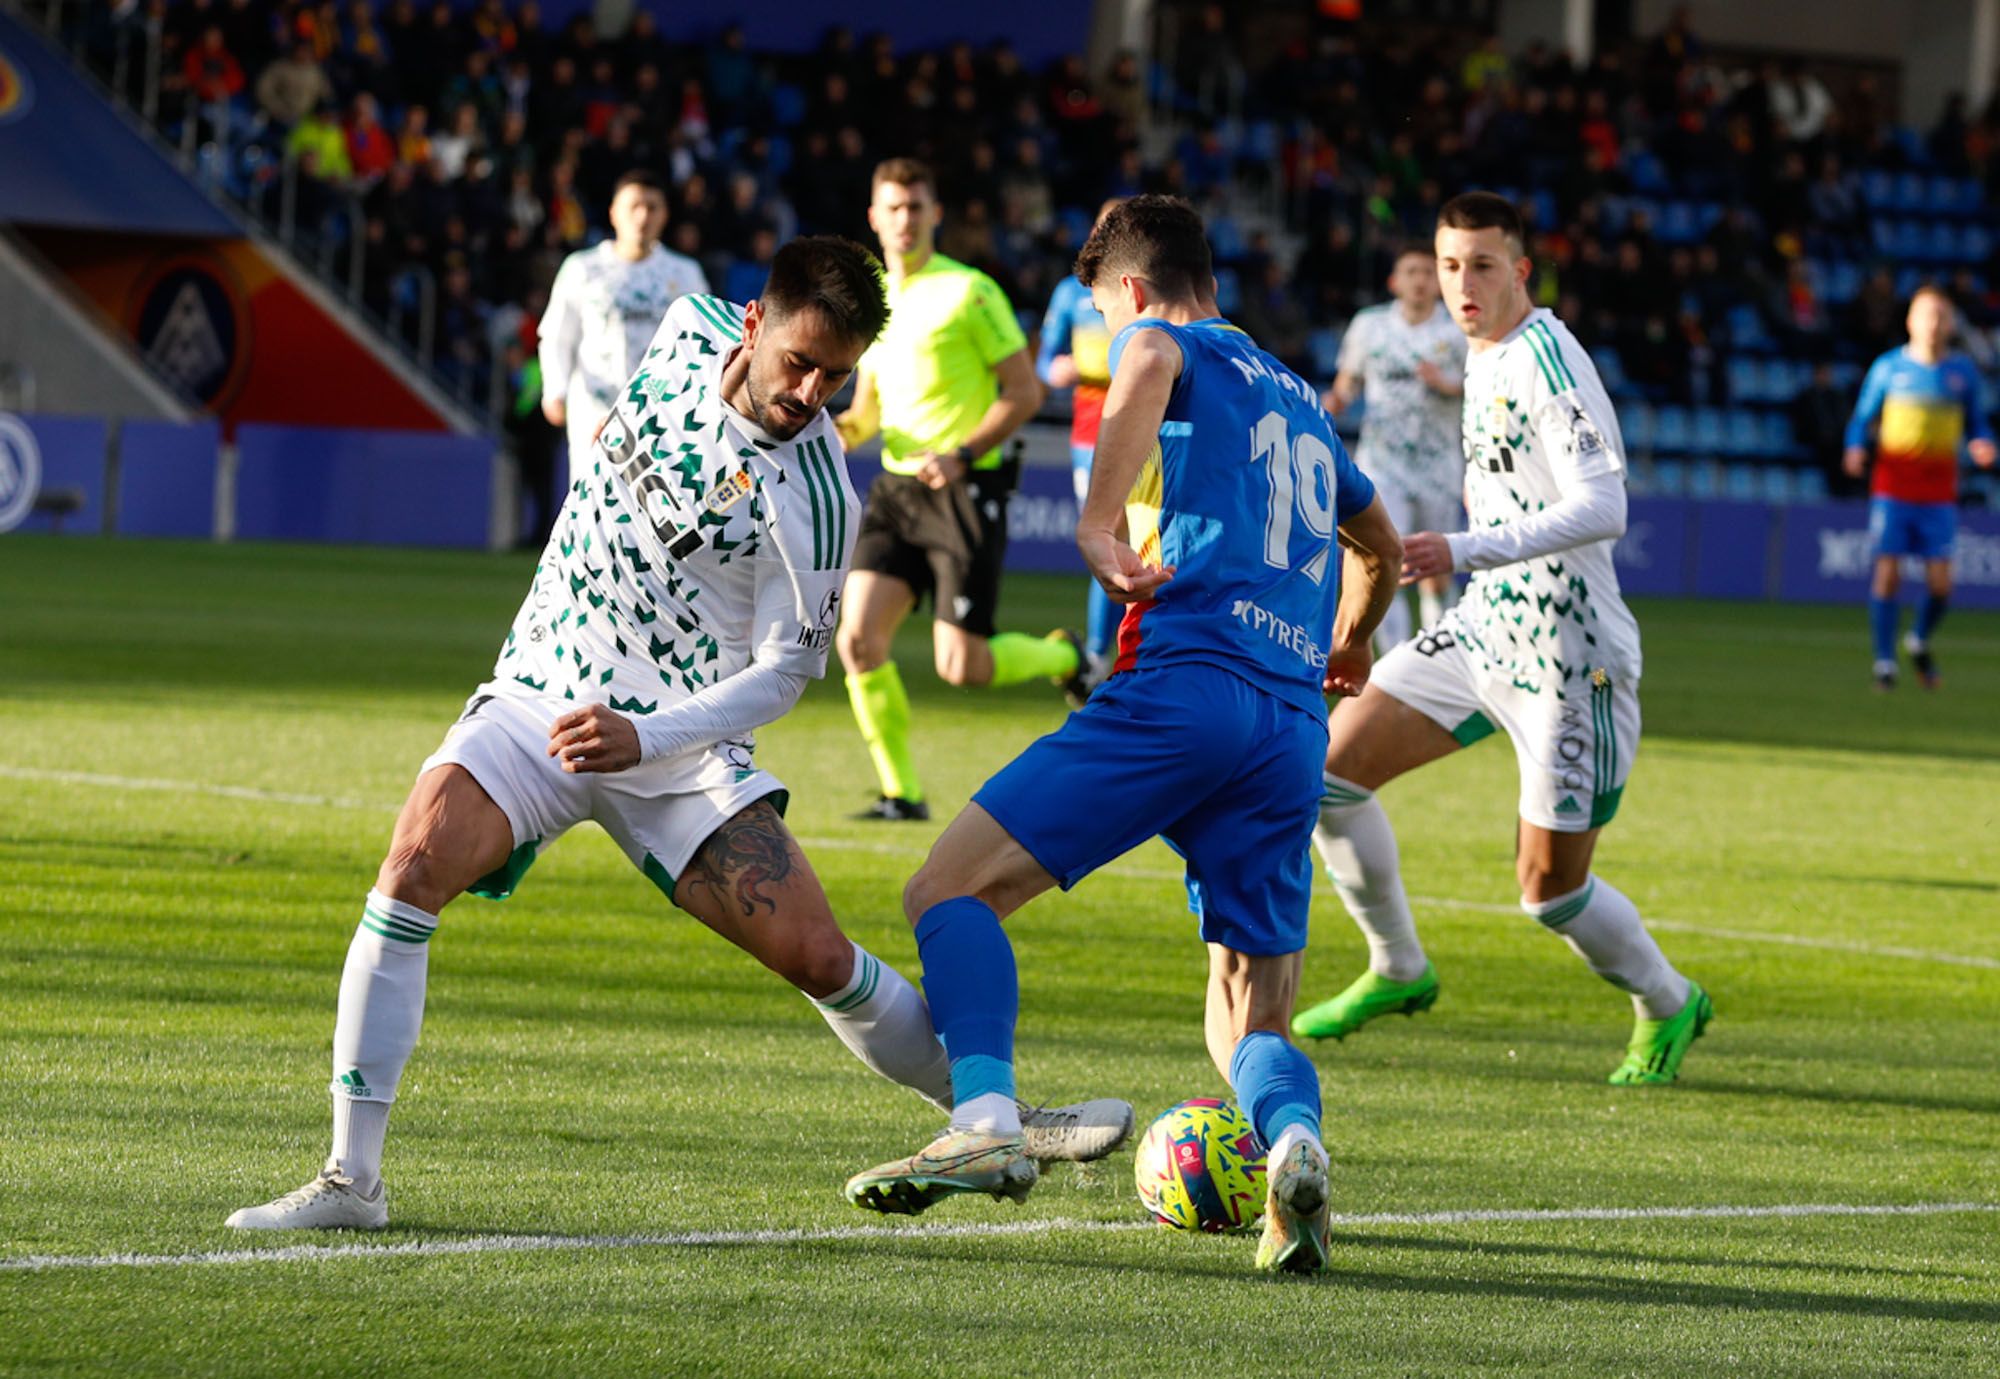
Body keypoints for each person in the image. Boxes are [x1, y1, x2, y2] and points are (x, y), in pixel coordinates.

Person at [225, 239, 1131, 1232]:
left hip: (678, 747)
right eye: (800, 361)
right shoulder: (682, 325)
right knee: (409, 865)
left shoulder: (819, 494)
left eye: (837, 373)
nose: (812, 390)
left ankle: (1001, 1118)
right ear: (751, 321)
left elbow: (788, 667)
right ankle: (352, 1179)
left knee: (820, 956)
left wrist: (645, 732)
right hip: (539, 694)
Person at [843, 196, 1403, 1276]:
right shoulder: (1297, 394)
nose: (1112, 338)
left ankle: (988, 1118)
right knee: (1247, 1010)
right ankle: (1291, 1150)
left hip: (1183, 685)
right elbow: (1375, 540)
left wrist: (1097, 523)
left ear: (1134, 291)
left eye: (1106, 313)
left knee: (946, 892)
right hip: (1289, 720)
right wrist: (1353, 640)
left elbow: (1143, 359)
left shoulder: (1157, 338)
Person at [1292, 193, 1713, 1088]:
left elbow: (1606, 505)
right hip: (1487, 626)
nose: (1463, 284)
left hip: (1572, 656)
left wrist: (1465, 546)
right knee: (1326, 775)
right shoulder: (1477, 356)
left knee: (1550, 892)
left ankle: (1667, 997)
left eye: (1483, 265)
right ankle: (1400, 967)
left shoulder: (1547, 360)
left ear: (1522, 270)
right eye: (1450, 266)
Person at [833, 158, 1081, 823]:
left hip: (966, 487)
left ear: (934, 214)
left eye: (916, 206)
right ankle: (901, 792)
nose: (905, 218)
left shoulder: (971, 292)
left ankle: (1068, 655)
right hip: (898, 487)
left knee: (961, 665)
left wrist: (964, 453)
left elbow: (1025, 392)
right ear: (874, 217)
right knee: (856, 638)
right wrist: (828, 433)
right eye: (894, 206)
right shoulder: (875, 301)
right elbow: (867, 411)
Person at [1841, 286, 1997, 691]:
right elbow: (1861, 418)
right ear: (1910, 320)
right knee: (1887, 573)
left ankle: (1918, 639)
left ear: (1950, 324)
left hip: (1939, 492)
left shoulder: (1961, 373)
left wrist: (1981, 441)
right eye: (1926, 315)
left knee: (1942, 585)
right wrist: (1855, 447)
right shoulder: (1890, 368)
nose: (1933, 324)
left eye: (1941, 316)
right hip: (1893, 487)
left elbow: (1978, 421)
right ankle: (1885, 663)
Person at [1323, 245, 1468, 649]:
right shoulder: (1370, 326)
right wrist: (1326, 408)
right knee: (1387, 560)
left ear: (1439, 283)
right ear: (1394, 281)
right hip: (1382, 462)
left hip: (1438, 465)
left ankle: (1438, 656)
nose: (1420, 280)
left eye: (1427, 272)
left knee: (1435, 570)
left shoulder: (1456, 330)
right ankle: (1398, 664)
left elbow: (1480, 389)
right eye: (1411, 271)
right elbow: (1348, 383)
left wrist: (1448, 385)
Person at [538, 169, 708, 469]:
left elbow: (701, 344)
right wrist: (555, 389)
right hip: (594, 407)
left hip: (661, 414)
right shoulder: (583, 268)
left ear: (664, 215)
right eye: (634, 207)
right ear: (614, 213)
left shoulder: (685, 274)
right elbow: (557, 335)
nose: (642, 217)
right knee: (592, 502)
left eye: (652, 207)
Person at [1038, 198, 1124, 683]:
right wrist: (1054, 370)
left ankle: (1123, 656)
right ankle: (1096, 656)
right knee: (1108, 538)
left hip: (1153, 432)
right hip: (1091, 435)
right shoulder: (1071, 294)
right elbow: (1042, 361)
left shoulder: (1148, 294)